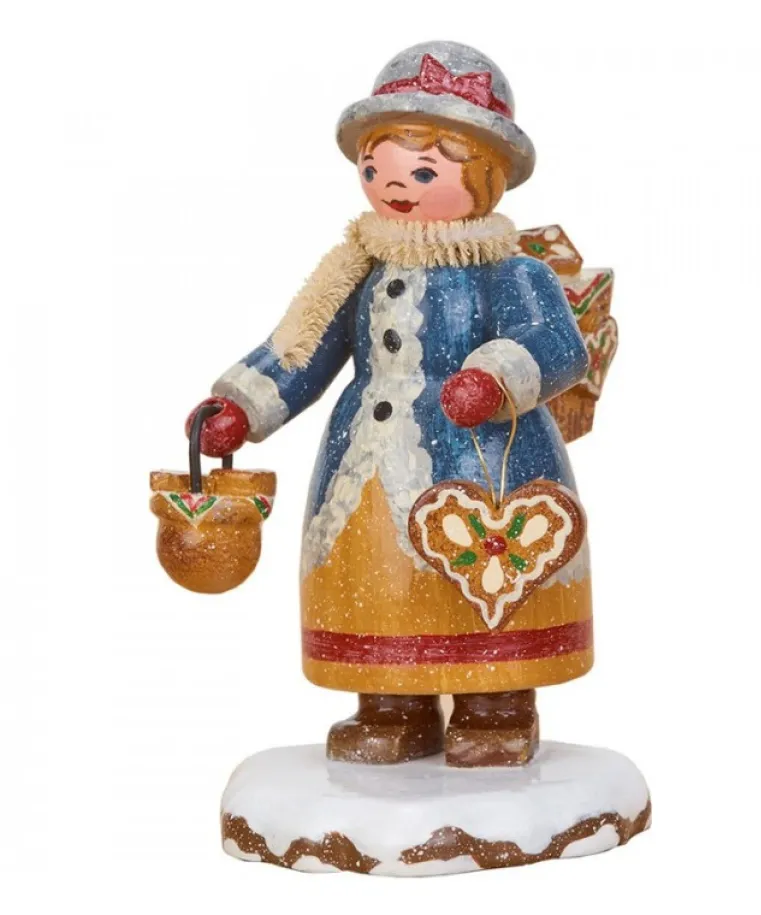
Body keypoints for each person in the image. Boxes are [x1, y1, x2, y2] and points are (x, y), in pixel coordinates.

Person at [187, 41, 590, 768]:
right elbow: (303, 346)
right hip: (366, 465)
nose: (393, 186)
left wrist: (494, 378)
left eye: (424, 172)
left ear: (488, 175)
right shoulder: (356, 271)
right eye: (375, 170)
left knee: (484, 576)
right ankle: (392, 705)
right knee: (370, 573)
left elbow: (557, 343)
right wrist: (242, 407)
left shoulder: (509, 269)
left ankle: (496, 705)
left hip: (484, 464)